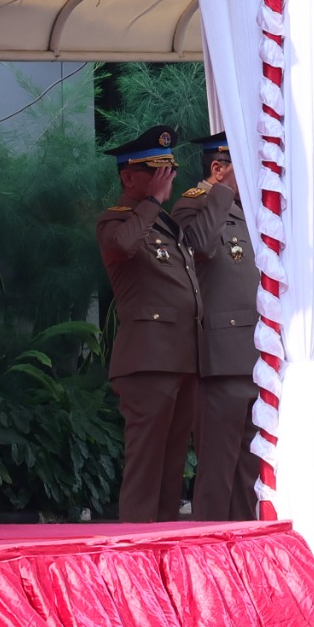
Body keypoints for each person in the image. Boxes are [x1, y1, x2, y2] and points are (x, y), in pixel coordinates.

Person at [96, 125, 201, 523]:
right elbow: (122, 246)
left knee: (172, 466)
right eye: (157, 172)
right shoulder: (117, 220)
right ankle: (136, 552)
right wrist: (152, 202)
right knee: (146, 464)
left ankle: (161, 549)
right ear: (128, 177)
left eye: (169, 172)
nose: (167, 180)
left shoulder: (162, 223)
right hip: (147, 361)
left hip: (182, 357)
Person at [172, 131, 259, 520]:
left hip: (256, 356)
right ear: (218, 168)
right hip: (220, 359)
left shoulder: (251, 209)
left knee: (247, 475)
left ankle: (242, 561)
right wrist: (221, 191)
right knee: (217, 474)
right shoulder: (194, 205)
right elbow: (201, 246)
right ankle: (209, 561)